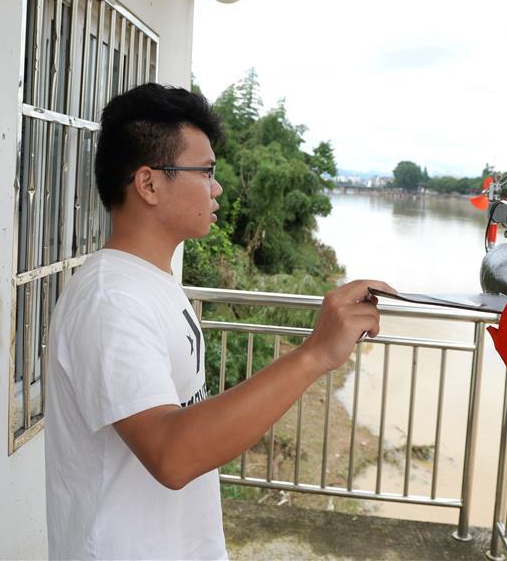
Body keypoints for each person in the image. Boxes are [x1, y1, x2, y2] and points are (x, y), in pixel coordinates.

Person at [44, 82, 395, 560]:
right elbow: (172, 453)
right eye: (205, 171)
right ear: (148, 183)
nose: (217, 187)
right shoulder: (111, 301)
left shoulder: (153, 280)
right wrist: (315, 354)